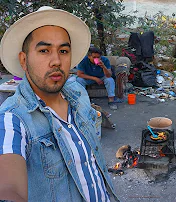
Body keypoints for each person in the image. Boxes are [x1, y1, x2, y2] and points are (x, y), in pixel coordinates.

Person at [0, 7, 119, 201]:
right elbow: (8, 187)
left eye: (63, 51)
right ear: (24, 60)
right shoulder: (12, 119)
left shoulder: (78, 95)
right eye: (44, 50)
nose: (56, 61)